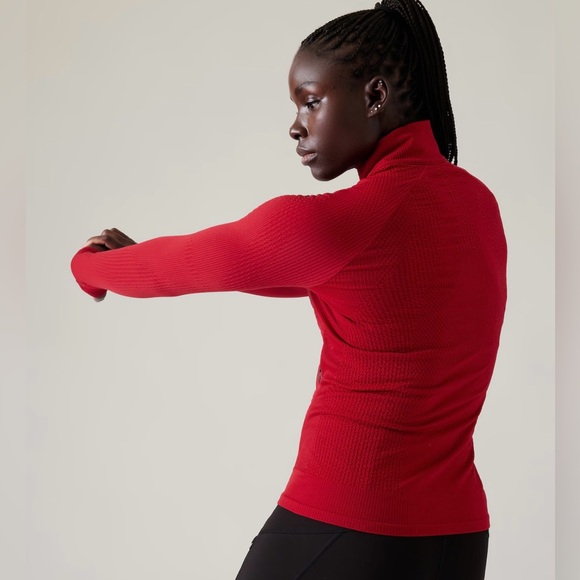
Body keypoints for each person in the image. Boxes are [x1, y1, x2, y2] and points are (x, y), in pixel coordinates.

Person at [71, 0, 507, 578]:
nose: (296, 125)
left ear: (375, 96)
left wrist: (90, 267)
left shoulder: (341, 224)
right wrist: (140, 256)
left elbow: (194, 265)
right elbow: (308, 275)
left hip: (347, 518)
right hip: (458, 535)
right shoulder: (477, 205)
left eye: (311, 100)